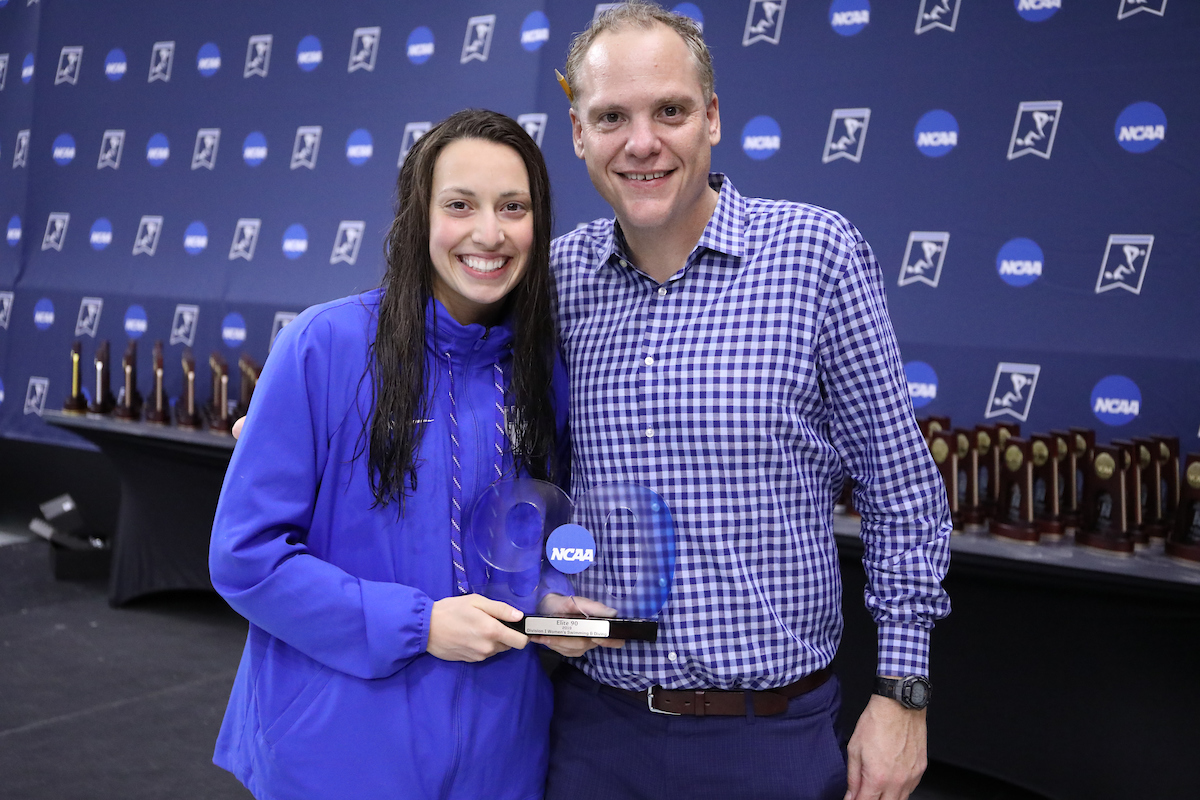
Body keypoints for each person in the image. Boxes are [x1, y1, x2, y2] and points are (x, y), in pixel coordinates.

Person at [544, 4, 952, 800]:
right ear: (578, 134)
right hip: (592, 732)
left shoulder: (816, 256)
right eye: (611, 116)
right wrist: (301, 422)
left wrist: (903, 693)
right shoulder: (554, 281)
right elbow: (488, 449)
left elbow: (901, 491)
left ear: (714, 118)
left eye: (670, 110)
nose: (642, 142)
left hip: (772, 740)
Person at [208, 109, 569, 800]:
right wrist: (419, 624)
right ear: (417, 214)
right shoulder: (326, 346)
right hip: (339, 757)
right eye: (459, 205)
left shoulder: (541, 369)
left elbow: (544, 538)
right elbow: (246, 557)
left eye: (513, 207)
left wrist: (558, 602)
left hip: (501, 758)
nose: (489, 233)